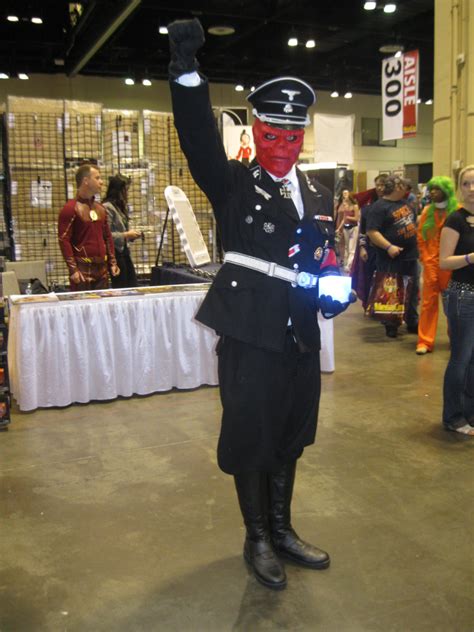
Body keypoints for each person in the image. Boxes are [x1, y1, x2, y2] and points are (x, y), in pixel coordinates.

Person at [167, 18, 355, 591]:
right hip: (249, 327)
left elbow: (322, 258)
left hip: (300, 328)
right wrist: (186, 70)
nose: (282, 148)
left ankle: (282, 528)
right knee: (251, 430)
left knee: (293, 430)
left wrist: (333, 285)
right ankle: (256, 538)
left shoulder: (319, 194)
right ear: (255, 131)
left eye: (293, 138)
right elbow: (198, 135)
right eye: (272, 136)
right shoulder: (231, 183)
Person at [439, 165, 474, 436]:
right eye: (466, 184)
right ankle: (453, 415)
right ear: (459, 188)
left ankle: (469, 412)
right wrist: (470, 257)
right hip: (463, 296)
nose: (471, 189)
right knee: (460, 359)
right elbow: (444, 262)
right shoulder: (455, 220)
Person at [367, 175, 419, 337]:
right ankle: (391, 323)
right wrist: (388, 246)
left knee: (412, 289)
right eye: (403, 186)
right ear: (396, 187)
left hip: (410, 255)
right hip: (390, 258)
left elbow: (414, 224)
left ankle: (412, 320)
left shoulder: (406, 204)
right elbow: (372, 232)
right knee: (391, 291)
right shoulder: (378, 207)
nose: (406, 189)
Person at [58, 164, 119, 291]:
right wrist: (73, 269)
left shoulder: (101, 209)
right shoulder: (70, 208)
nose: (101, 182)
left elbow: (107, 237)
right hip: (82, 271)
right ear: (86, 181)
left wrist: (112, 262)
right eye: (97, 178)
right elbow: (64, 240)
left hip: (102, 270)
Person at [415, 176, 457, 355]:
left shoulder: (457, 213)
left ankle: (456, 339)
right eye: (431, 189)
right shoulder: (426, 212)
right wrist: (425, 259)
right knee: (428, 304)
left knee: (453, 306)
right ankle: (425, 341)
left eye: (437, 189)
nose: (432, 192)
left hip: (452, 266)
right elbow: (420, 239)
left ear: (446, 191)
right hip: (431, 265)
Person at [352, 175, 387, 311]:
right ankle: (370, 306)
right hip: (372, 250)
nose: (380, 188)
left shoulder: (395, 207)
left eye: (383, 184)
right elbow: (363, 231)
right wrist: (362, 247)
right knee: (368, 279)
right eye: (377, 184)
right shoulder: (367, 209)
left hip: (389, 252)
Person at [102, 174, 141, 288]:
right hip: (115, 253)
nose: (127, 193)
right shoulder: (107, 207)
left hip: (124, 252)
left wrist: (131, 236)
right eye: (125, 190)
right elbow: (106, 235)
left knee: (132, 284)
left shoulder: (119, 207)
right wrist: (126, 235)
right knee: (121, 286)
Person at [335, 188, 360, 273]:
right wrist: (338, 228)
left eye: (346, 194)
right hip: (345, 227)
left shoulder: (355, 206)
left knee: (352, 248)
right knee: (346, 247)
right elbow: (343, 219)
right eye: (343, 194)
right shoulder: (344, 206)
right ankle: (345, 264)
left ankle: (349, 265)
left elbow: (356, 218)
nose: (345, 196)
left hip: (353, 227)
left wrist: (348, 217)